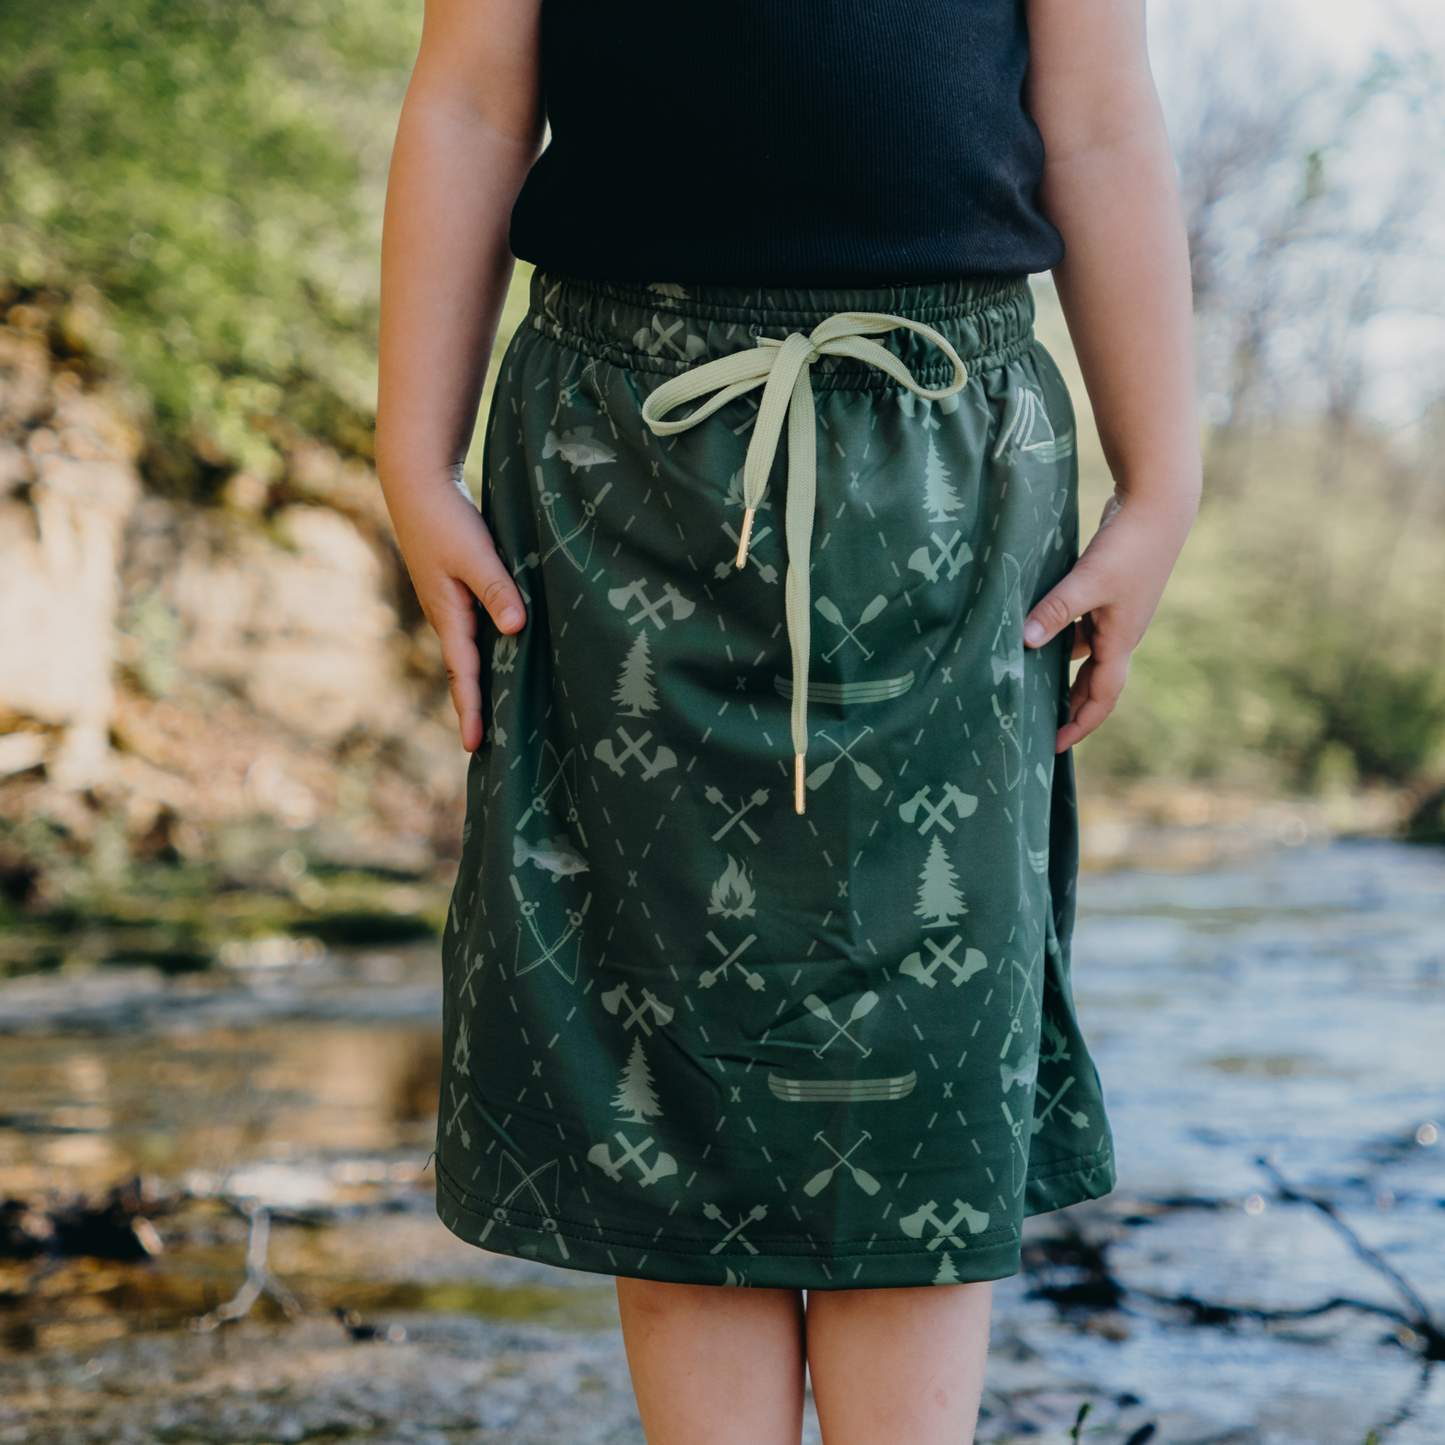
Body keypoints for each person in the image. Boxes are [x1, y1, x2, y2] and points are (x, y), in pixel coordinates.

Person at [376, 0, 1199, 1439]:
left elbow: (1103, 115)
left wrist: (1163, 485)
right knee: (661, 1045)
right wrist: (410, 458)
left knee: (926, 1050)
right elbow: (469, 99)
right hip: (610, 449)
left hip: (953, 447)